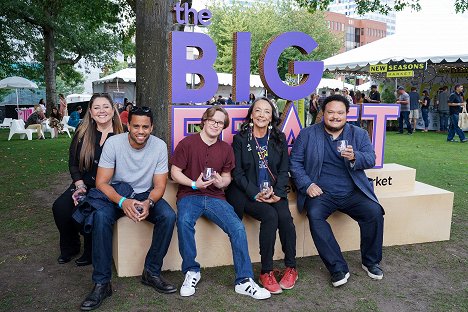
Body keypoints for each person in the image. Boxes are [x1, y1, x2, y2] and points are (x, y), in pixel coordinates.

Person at [80, 106, 177, 310]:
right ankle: (102, 283)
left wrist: (148, 203)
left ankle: (151, 272)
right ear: (127, 125)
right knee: (100, 218)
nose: (140, 131)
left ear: (152, 127)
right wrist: (123, 202)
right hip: (117, 193)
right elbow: (102, 183)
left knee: (168, 216)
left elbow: (159, 185)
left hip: (144, 194)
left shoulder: (159, 146)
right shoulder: (114, 143)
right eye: (136, 126)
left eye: (145, 127)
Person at [170, 106, 270, 300]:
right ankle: (191, 271)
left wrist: (220, 182)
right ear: (204, 121)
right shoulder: (187, 143)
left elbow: (227, 178)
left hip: (216, 197)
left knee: (237, 228)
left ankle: (244, 281)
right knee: (183, 222)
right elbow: (175, 172)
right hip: (190, 195)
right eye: (213, 121)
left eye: (220, 123)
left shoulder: (225, 148)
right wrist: (194, 184)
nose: (216, 125)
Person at [289, 94, 384, 287]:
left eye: (340, 113)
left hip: (352, 191)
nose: (335, 116)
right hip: (322, 193)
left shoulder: (359, 134)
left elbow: (371, 158)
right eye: (330, 112)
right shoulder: (308, 134)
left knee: (374, 212)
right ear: (323, 113)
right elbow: (295, 163)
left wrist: (354, 156)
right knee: (315, 215)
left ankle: (371, 261)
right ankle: (337, 267)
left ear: (347, 114)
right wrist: (307, 185)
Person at [226, 98, 297, 294]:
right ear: (251, 114)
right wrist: (255, 193)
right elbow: (237, 174)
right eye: (258, 110)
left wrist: (277, 193)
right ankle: (266, 271)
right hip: (247, 193)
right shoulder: (240, 139)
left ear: (272, 116)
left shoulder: (279, 138)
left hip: (274, 192)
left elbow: (284, 170)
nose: (262, 115)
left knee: (286, 219)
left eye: (267, 112)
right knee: (270, 216)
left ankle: (291, 267)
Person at [52, 94, 123, 268]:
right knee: (60, 208)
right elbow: (73, 163)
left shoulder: (124, 134)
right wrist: (79, 185)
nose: (101, 111)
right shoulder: (82, 132)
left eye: (105, 106)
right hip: (84, 183)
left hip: (109, 187)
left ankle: (90, 250)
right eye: (96, 107)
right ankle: (71, 245)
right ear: (90, 112)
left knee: (88, 210)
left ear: (113, 110)